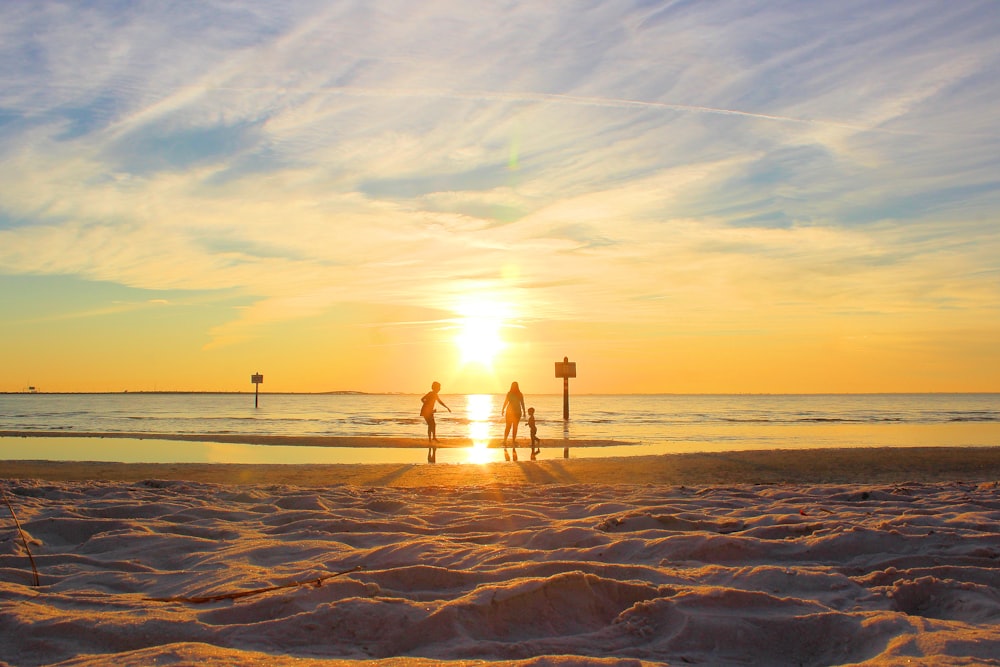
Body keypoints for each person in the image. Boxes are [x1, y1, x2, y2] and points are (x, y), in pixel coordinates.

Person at [420, 381, 451, 462]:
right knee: (431, 425)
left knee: (433, 424)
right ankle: (431, 440)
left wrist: (446, 407)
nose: (440, 389)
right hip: (426, 411)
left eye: (440, 387)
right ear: (435, 388)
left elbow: (440, 402)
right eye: (439, 387)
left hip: (429, 411)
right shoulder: (430, 393)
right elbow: (422, 399)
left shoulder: (435, 395)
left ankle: (433, 438)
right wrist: (427, 405)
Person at [501, 381, 526, 461]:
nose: (514, 387)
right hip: (510, 412)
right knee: (508, 426)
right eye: (513, 386)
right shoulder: (509, 394)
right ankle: (505, 440)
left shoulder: (519, 394)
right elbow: (506, 402)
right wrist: (503, 409)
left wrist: (524, 411)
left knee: (514, 427)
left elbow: (522, 403)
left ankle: (513, 440)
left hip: (517, 412)